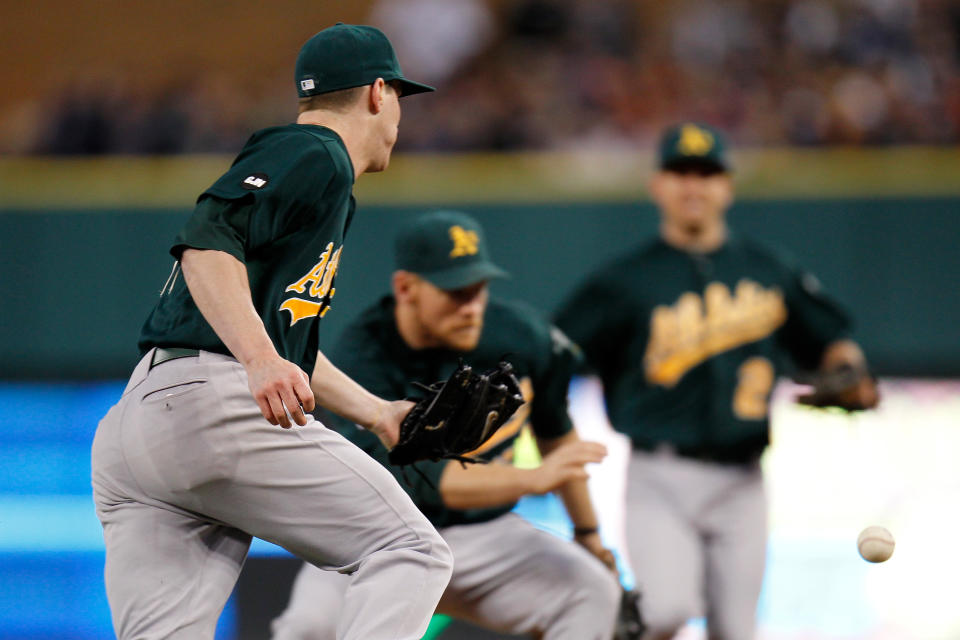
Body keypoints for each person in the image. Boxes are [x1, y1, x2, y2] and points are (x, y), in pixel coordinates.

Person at [91, 24, 455, 640]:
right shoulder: (315, 152)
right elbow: (205, 244)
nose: (399, 114)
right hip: (208, 404)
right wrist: (260, 360)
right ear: (375, 92)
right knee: (411, 551)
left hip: (141, 429)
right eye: (399, 96)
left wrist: (376, 413)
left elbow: (287, 346)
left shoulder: (315, 171)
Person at [554, 123, 879, 640]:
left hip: (743, 481)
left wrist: (852, 375)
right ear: (657, 184)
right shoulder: (624, 280)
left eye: (707, 174)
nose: (693, 186)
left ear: (726, 186)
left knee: (736, 630)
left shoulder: (767, 269)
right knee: (662, 610)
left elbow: (833, 338)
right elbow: (554, 352)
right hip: (659, 475)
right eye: (680, 173)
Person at [271, 210, 622, 640]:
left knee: (592, 591)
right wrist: (530, 480)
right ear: (406, 288)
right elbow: (421, 482)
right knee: (308, 629)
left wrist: (588, 535)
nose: (472, 307)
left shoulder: (521, 334)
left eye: (479, 289)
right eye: (456, 292)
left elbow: (558, 438)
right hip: (375, 536)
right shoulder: (360, 359)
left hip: (484, 537)